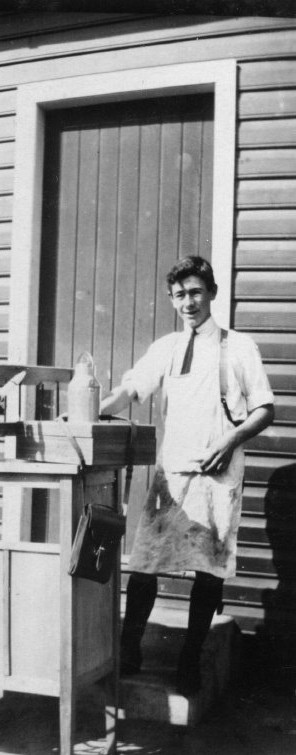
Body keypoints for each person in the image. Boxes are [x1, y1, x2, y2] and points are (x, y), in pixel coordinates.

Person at [100, 255, 274, 696]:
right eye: (179, 295)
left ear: (212, 292)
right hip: (172, 476)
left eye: (195, 292)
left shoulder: (239, 347)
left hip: (218, 474)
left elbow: (264, 409)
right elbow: (131, 389)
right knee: (145, 565)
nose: (188, 302)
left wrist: (231, 440)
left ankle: (190, 660)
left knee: (208, 570)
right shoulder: (168, 348)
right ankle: (130, 648)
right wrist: (94, 411)